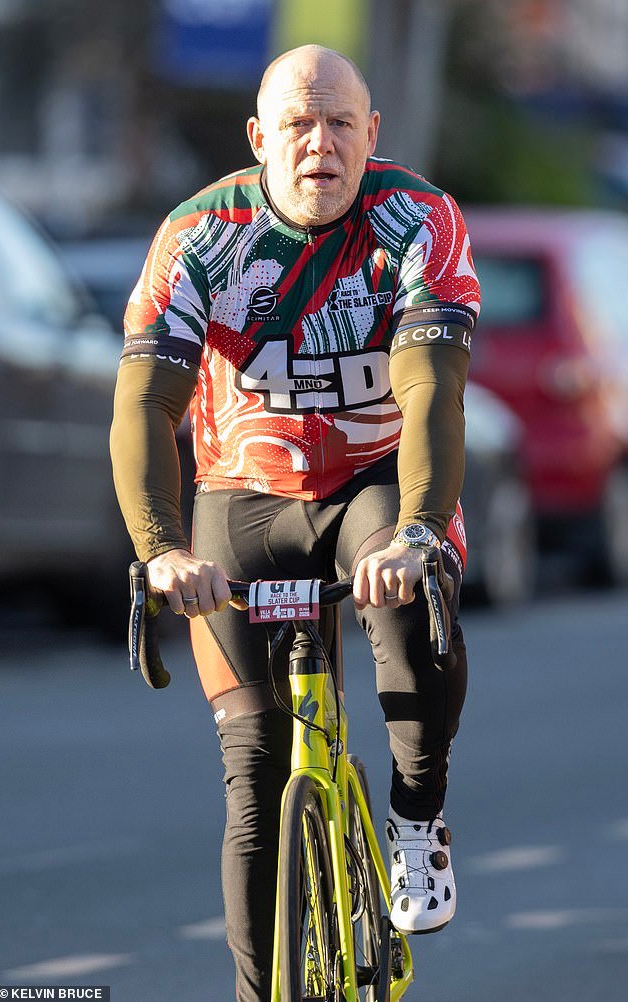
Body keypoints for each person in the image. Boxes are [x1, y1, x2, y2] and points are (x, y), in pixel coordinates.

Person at [110, 43, 480, 1001]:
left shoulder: (417, 219)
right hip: (244, 488)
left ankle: (414, 816)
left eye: (342, 124)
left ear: (372, 134)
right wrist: (160, 552)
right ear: (258, 138)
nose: (322, 145)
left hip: (373, 479)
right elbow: (146, 403)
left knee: (405, 591)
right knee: (254, 773)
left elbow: (431, 385)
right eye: (299, 125)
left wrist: (420, 529)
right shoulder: (201, 235)